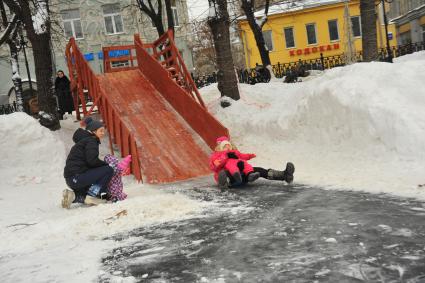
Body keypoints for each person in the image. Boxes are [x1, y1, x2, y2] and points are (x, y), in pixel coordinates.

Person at [62, 117, 114, 208]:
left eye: (103, 131)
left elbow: (89, 163)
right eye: (101, 131)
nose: (103, 133)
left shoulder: (84, 141)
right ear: (93, 131)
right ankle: (94, 196)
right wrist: (106, 165)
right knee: (108, 170)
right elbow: (92, 161)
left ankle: (73, 196)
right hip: (77, 176)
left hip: (71, 179)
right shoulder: (91, 141)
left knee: (88, 191)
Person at [209, 136, 295, 190]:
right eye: (225, 146)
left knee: (259, 170)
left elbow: (243, 158)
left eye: (229, 146)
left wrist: (249, 156)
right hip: (231, 177)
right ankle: (224, 183)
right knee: (223, 173)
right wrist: (225, 157)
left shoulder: (235, 153)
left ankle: (284, 175)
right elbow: (214, 166)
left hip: (242, 176)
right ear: (220, 147)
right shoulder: (216, 156)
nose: (227, 148)